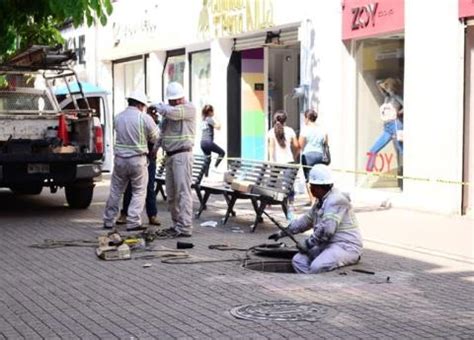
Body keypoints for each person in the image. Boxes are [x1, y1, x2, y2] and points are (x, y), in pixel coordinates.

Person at [268, 164, 363, 274]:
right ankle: (309, 282)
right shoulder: (321, 202)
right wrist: (284, 232)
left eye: (311, 186)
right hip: (327, 245)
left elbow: (327, 230)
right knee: (298, 260)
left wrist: (308, 243)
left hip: (345, 247)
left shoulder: (336, 201)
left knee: (317, 267)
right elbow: (305, 221)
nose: (310, 189)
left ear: (318, 187)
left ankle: (318, 285)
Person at [103, 90, 159, 231]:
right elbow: (156, 138)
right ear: (141, 104)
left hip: (120, 160)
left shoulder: (118, 117)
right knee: (139, 191)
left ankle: (109, 220)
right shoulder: (144, 118)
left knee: (115, 191)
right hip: (137, 160)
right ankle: (133, 222)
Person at [153, 82, 196, 238]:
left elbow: (172, 113)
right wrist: (155, 148)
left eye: (178, 99)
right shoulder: (169, 112)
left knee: (183, 193)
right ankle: (176, 224)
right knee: (171, 194)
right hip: (170, 156)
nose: (177, 102)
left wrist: (159, 106)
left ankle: (185, 227)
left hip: (183, 155)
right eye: (173, 100)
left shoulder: (189, 109)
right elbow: (162, 132)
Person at [116, 106, 161, 226]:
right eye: (152, 112)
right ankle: (125, 213)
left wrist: (155, 151)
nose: (154, 115)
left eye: (155, 113)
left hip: (149, 159)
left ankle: (152, 215)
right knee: (131, 187)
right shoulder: (142, 120)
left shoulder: (155, 123)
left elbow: (157, 139)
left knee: (150, 187)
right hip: (139, 157)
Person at [366, 77, 404, 174]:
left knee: (402, 150)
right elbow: (377, 82)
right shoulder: (387, 97)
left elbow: (405, 105)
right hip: (387, 127)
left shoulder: (396, 96)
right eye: (386, 86)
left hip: (395, 125)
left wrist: (399, 112)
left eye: (388, 86)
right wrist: (386, 85)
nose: (387, 88)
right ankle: (368, 170)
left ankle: (410, 171)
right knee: (373, 149)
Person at [267, 110, 299, 218]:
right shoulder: (290, 131)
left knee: (272, 181)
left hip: (276, 162)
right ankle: (291, 204)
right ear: (285, 120)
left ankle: (268, 202)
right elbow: (296, 145)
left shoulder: (271, 131)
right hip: (288, 161)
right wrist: (294, 156)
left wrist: (271, 161)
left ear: (275, 119)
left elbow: (271, 147)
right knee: (289, 184)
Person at [299, 109, 328, 204]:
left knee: (309, 178)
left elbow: (300, 144)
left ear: (307, 118)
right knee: (319, 177)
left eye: (305, 118)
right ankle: (320, 199)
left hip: (308, 156)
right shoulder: (322, 129)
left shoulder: (305, 129)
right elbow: (326, 142)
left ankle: (312, 201)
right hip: (320, 155)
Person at [200, 104, 225, 175]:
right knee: (222, 153)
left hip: (202, 142)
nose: (213, 112)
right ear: (210, 112)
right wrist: (217, 119)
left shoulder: (203, 120)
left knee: (207, 159)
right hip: (208, 142)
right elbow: (218, 127)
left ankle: (205, 176)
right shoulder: (209, 119)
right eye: (213, 111)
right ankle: (215, 167)